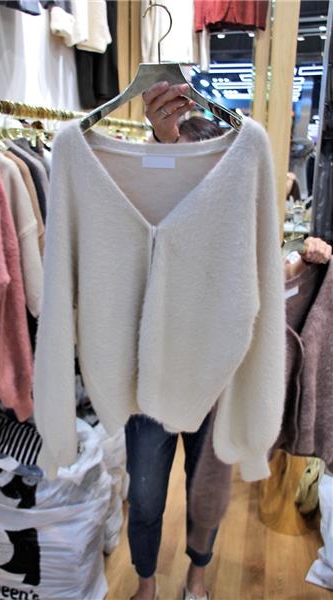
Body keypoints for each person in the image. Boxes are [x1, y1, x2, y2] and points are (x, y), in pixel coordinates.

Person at [124, 81, 332, 600]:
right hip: (150, 384)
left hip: (215, 384)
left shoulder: (235, 223)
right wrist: (163, 143)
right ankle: (146, 584)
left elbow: (267, 282)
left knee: (206, 493)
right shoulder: (148, 215)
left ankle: (197, 577)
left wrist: (307, 259)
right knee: (145, 497)